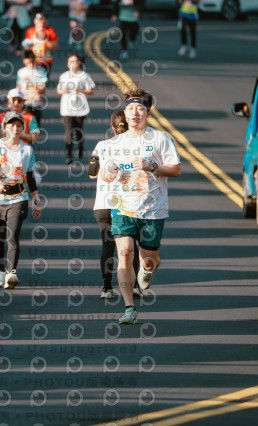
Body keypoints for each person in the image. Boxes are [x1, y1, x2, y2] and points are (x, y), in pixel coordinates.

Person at [99, 88, 181, 324]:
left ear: (148, 113)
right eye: (130, 109)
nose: (135, 113)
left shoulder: (161, 139)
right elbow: (104, 175)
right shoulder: (112, 144)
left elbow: (176, 169)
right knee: (124, 254)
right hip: (122, 208)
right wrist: (107, 172)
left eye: (140, 109)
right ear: (124, 114)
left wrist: (152, 167)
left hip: (152, 210)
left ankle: (147, 268)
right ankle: (129, 309)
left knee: (148, 259)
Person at [0, 111, 42, 289]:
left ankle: (11, 273)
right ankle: (0, 272)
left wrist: (36, 199)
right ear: (4, 127)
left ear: (22, 128)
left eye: (18, 126)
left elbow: (30, 176)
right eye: (11, 125)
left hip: (18, 197)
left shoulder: (27, 150)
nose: (15, 129)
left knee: (12, 237)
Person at [88, 111, 140, 299]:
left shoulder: (101, 146)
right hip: (128, 204)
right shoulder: (137, 147)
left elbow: (91, 173)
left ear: (113, 127)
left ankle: (106, 288)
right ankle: (134, 286)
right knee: (130, 246)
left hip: (104, 203)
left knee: (108, 246)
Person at [56, 54, 95, 164]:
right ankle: (69, 155)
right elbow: (58, 90)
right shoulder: (64, 76)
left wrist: (81, 90)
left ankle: (80, 146)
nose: (73, 64)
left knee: (78, 131)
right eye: (71, 61)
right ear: (67, 64)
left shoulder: (84, 76)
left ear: (79, 63)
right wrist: (62, 91)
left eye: (75, 61)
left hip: (80, 108)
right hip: (67, 109)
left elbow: (91, 91)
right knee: (69, 132)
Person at [22, 13, 58, 78]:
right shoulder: (30, 31)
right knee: (32, 79)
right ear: (34, 21)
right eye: (38, 20)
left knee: (44, 80)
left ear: (45, 21)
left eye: (41, 20)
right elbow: (26, 46)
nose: (40, 22)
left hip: (46, 60)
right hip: (34, 61)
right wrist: (31, 42)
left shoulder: (50, 31)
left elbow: (55, 46)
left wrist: (44, 40)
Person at [16, 50, 47, 126]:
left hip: (37, 102)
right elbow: (18, 87)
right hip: (26, 102)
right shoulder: (21, 72)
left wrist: (39, 90)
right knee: (26, 125)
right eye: (29, 62)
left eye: (32, 61)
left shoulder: (41, 71)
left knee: (36, 126)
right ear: (24, 61)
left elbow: (43, 86)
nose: (31, 64)